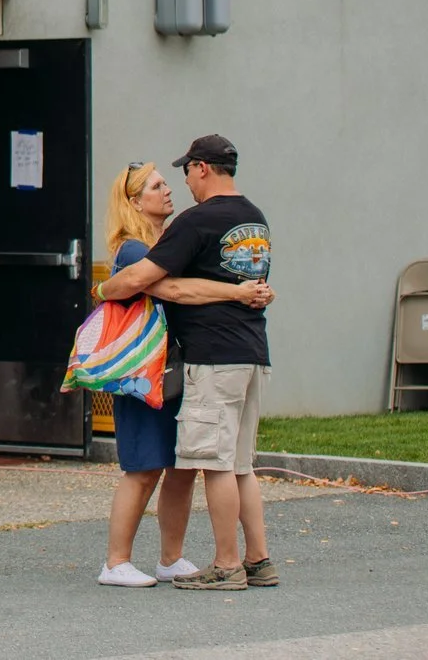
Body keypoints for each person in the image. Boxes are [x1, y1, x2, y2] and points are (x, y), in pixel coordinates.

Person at [97, 134, 275, 592]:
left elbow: (172, 288)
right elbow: (164, 284)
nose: (174, 188)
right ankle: (249, 561)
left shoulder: (194, 223)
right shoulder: (253, 217)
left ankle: (225, 563)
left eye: (177, 176)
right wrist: (240, 292)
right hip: (208, 359)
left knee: (209, 465)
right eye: (157, 186)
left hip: (208, 358)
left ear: (202, 168)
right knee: (217, 465)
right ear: (134, 202)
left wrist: (105, 288)